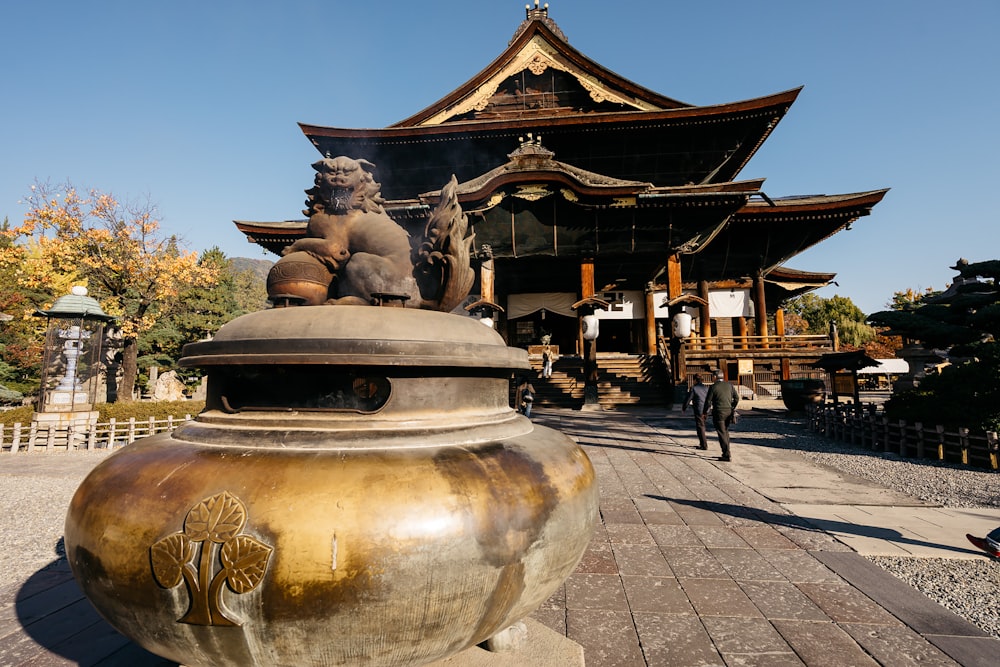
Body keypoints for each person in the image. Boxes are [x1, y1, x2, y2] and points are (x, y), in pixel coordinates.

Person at [702, 371, 739, 462]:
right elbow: (737, 398)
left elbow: (708, 402)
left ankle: (726, 454)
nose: (712, 378)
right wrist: (732, 406)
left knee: (721, 433)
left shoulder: (713, 387)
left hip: (718, 411)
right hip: (728, 411)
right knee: (725, 431)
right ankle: (727, 452)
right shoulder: (730, 385)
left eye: (712, 376)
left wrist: (704, 412)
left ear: (715, 377)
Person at [682, 374, 710, 450]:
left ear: (695, 380)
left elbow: (688, 399)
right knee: (702, 425)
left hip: (699, 409)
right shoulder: (706, 388)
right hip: (706, 409)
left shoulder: (694, 388)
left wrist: (684, 407)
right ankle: (702, 443)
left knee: (700, 427)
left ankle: (703, 444)